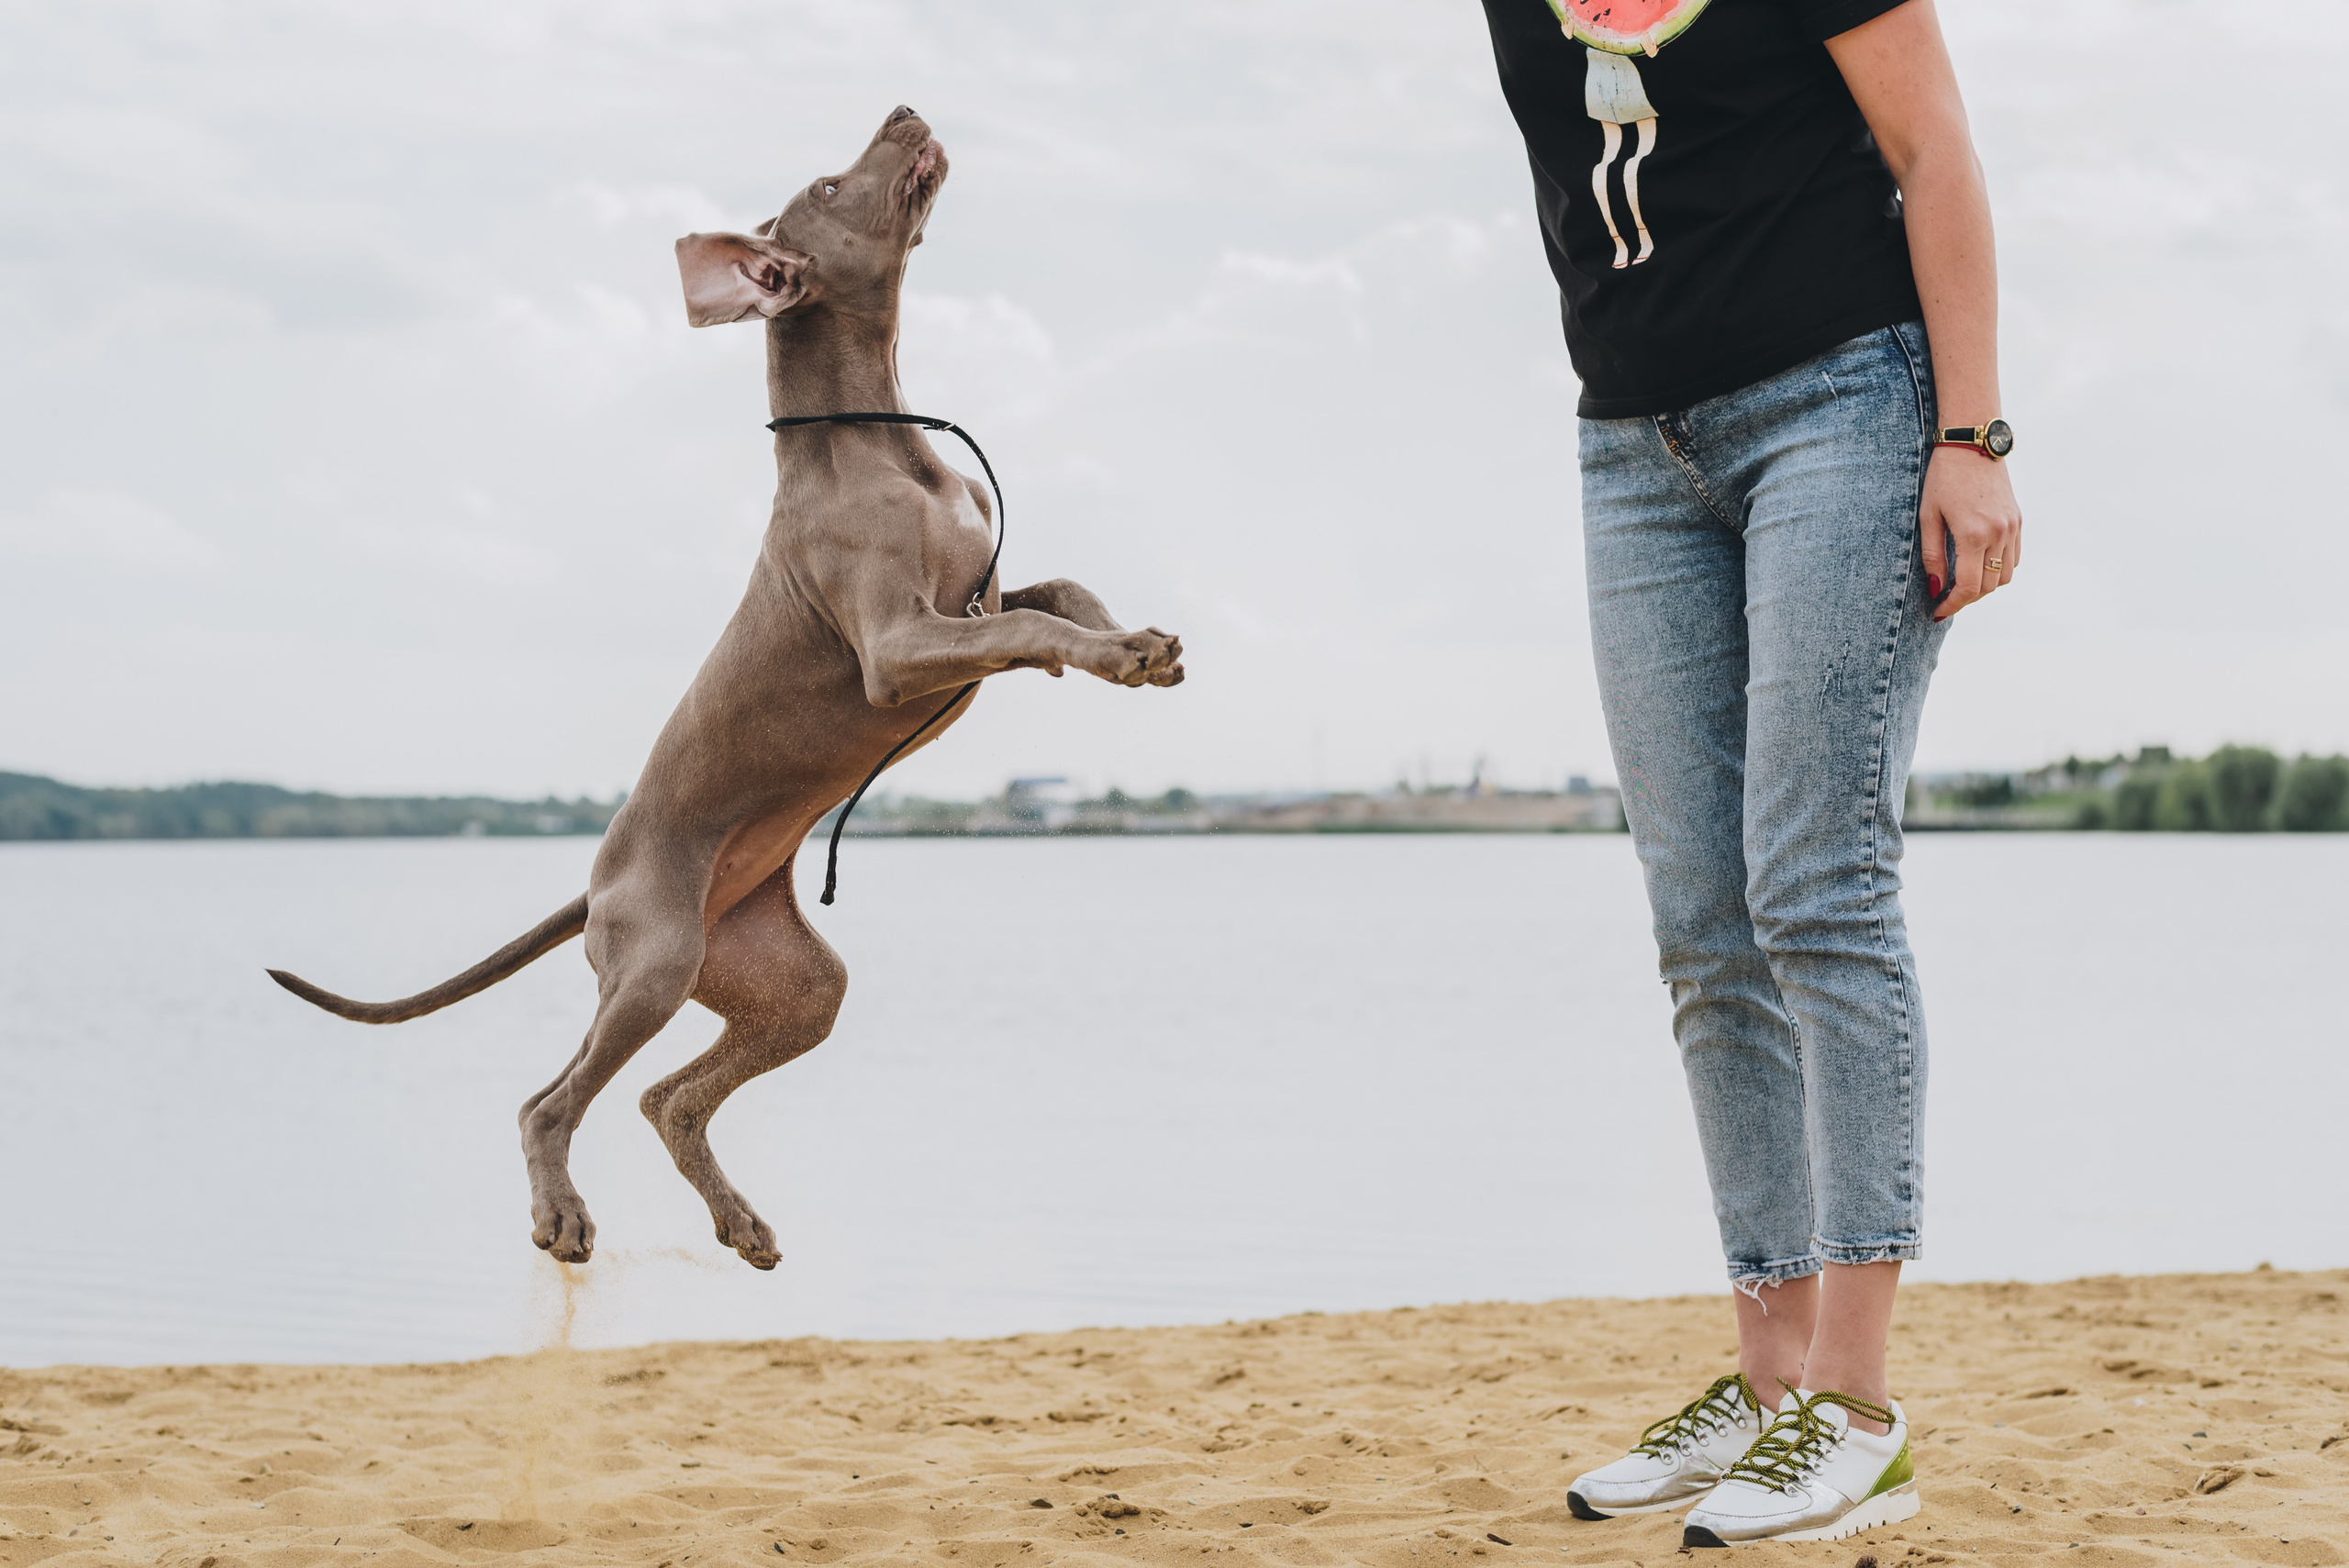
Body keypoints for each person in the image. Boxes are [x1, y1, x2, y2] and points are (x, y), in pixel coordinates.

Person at [1478, 0, 2021, 1548]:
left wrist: (1971, 434)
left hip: (1845, 403)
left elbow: (1935, 153)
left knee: (1819, 885)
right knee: (1706, 926)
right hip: (1630, 448)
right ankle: (1771, 1387)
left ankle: (1856, 1407)